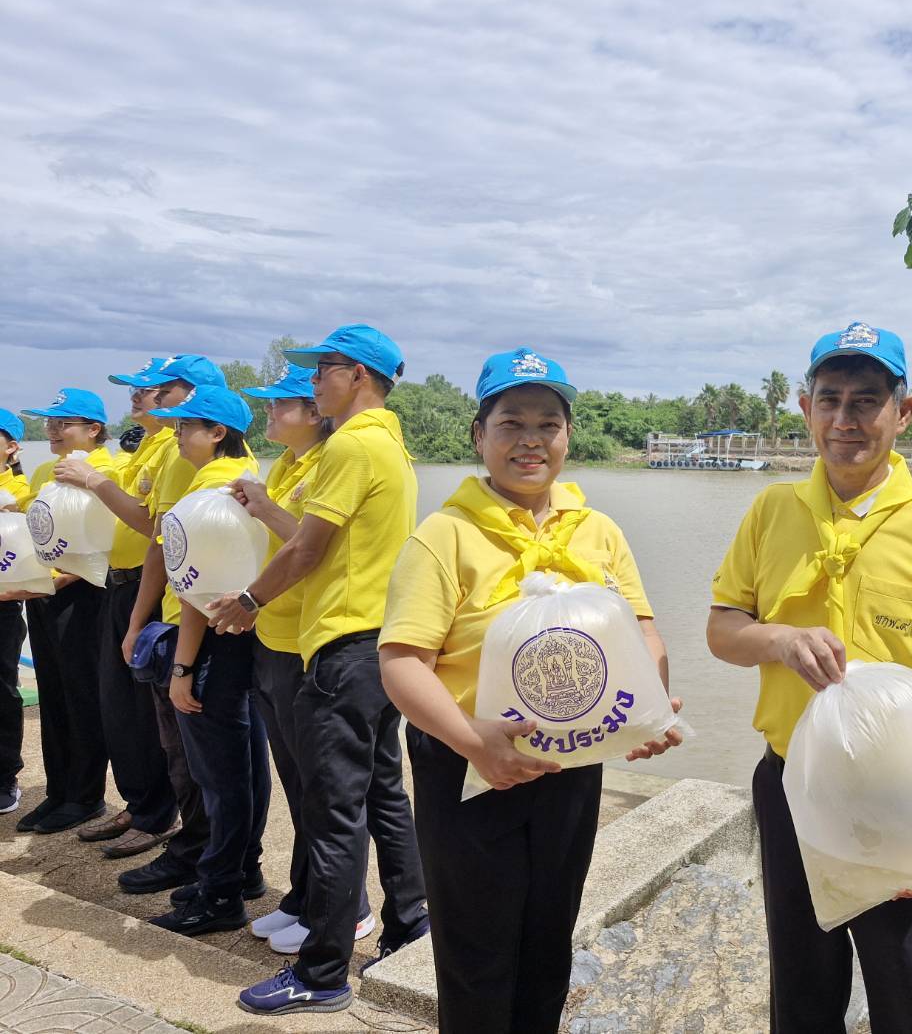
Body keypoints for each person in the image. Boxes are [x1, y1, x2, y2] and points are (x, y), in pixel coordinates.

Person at [706, 322, 912, 1034]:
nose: (845, 420)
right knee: (803, 991)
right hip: (792, 785)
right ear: (805, 409)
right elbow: (722, 630)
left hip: (907, 796)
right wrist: (777, 639)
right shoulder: (770, 511)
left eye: (866, 401)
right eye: (830, 399)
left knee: (910, 997)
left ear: (902, 413)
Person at [377, 348, 683, 1033]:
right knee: (476, 953)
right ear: (478, 435)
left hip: (570, 767)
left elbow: (643, 635)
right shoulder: (444, 537)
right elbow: (400, 662)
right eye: (511, 422)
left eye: (548, 424)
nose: (530, 440)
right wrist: (474, 743)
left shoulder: (597, 531)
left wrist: (650, 712)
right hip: (468, 767)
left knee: (548, 941)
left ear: (568, 436)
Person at [211, 325, 427, 1017]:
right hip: (380, 645)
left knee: (334, 816)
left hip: (341, 648)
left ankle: (323, 972)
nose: (311, 383)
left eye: (321, 370)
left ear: (357, 375)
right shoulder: (387, 444)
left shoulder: (355, 446)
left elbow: (306, 548)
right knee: (384, 797)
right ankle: (411, 924)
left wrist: (248, 601)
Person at [234, 366, 374, 953]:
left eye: (278, 405)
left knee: (324, 790)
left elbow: (310, 547)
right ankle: (303, 894)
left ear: (313, 414)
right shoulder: (288, 463)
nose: (267, 414)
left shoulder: (334, 459)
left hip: (306, 639)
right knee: (297, 783)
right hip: (275, 635)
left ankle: (348, 909)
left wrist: (264, 508)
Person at [143, 385, 271, 936]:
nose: (175, 437)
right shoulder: (247, 478)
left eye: (184, 428)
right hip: (244, 639)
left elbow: (199, 594)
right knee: (244, 764)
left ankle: (221, 894)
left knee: (220, 775)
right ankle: (240, 872)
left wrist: (181, 668)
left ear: (217, 433)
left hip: (215, 641)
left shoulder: (212, 493)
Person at [108, 355, 230, 897]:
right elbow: (164, 544)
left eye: (154, 390)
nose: (142, 398)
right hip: (184, 615)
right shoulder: (188, 457)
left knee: (200, 752)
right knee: (189, 749)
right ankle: (207, 856)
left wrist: (150, 631)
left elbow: (171, 549)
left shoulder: (196, 466)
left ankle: (207, 860)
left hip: (197, 620)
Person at [52, 358, 180, 859]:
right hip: (119, 581)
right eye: (135, 388)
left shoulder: (172, 448)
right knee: (120, 706)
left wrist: (94, 481)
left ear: (180, 395)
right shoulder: (147, 445)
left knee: (146, 711)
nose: (135, 395)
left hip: (146, 587)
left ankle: (155, 813)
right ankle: (139, 801)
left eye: (147, 389)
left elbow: (155, 530)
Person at [11, 389, 115, 834]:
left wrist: (58, 579)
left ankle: (86, 795)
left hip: (85, 595)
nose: (52, 431)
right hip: (43, 594)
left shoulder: (110, 470)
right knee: (53, 695)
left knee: (83, 696)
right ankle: (58, 791)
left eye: (63, 423)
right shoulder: (40, 471)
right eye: (49, 423)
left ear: (93, 429)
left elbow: (106, 544)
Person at [0, 409, 30, 815]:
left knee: (2, 689)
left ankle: (5, 775)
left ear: (12, 447)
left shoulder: (21, 490)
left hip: (3, 605)